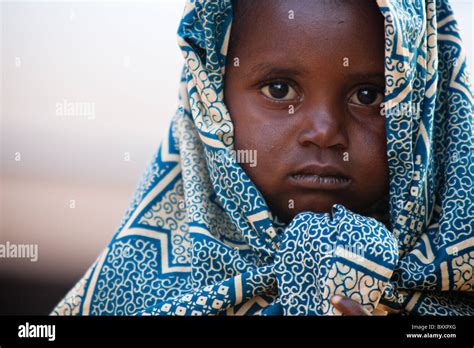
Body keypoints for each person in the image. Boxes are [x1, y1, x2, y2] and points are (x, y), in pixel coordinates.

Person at [52, 0, 474, 316]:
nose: (324, 131)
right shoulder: (136, 291)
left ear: (424, 108)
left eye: (369, 96)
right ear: (212, 103)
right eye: (279, 90)